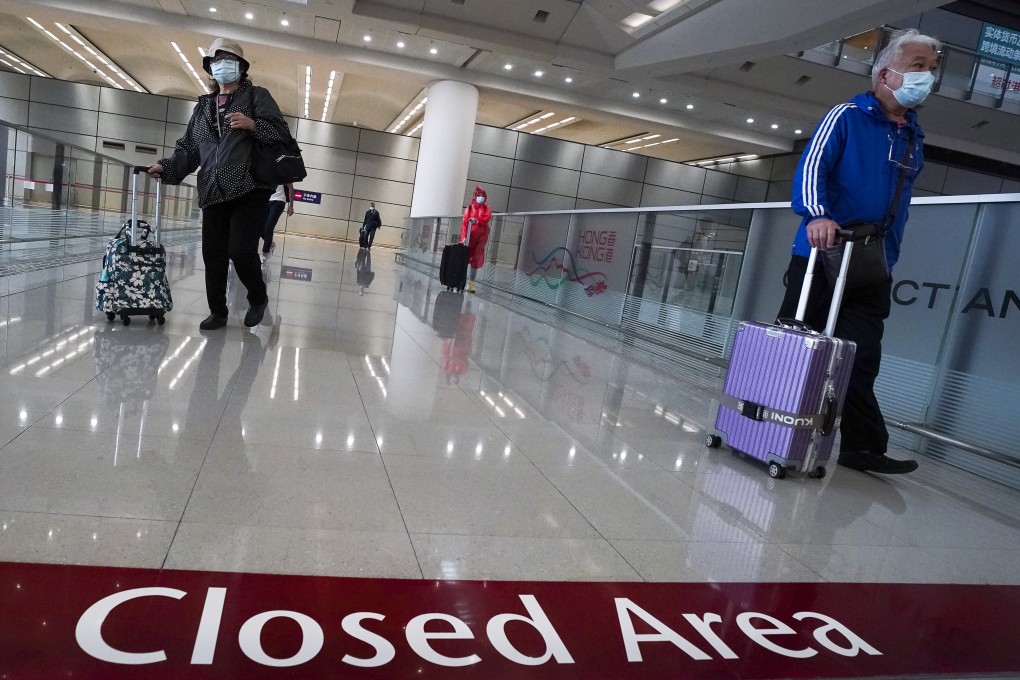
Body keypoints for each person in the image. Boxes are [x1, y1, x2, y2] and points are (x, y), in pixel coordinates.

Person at [777, 28, 940, 475]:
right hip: (823, 253)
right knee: (798, 347)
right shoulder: (847, 116)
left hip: (872, 264)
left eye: (932, 68)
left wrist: (889, 254)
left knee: (861, 354)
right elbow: (813, 167)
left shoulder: (911, 136)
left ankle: (862, 447)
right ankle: (771, 426)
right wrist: (816, 215)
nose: (927, 77)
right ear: (886, 74)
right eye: (918, 67)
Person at [146, 38, 291, 330]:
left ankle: (258, 296)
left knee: (239, 250)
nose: (223, 64)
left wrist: (253, 125)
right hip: (213, 189)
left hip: (250, 187)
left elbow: (281, 134)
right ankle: (218, 312)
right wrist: (167, 166)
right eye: (217, 59)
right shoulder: (203, 108)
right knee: (213, 255)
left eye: (229, 59)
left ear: (241, 67)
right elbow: (189, 148)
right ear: (210, 67)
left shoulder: (257, 97)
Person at [459, 185, 492, 293]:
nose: (481, 198)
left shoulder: (487, 208)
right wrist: (463, 237)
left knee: (475, 261)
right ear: (475, 196)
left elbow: (487, 218)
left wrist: (477, 220)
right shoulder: (469, 208)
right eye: (479, 196)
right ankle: (461, 282)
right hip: (469, 237)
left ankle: (471, 284)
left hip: (481, 239)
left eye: (482, 196)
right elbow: (464, 224)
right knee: (464, 259)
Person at [261, 183, 294, 264]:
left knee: (269, 226)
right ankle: (270, 244)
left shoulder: (283, 171)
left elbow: (291, 188)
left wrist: (291, 205)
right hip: (267, 200)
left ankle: (264, 253)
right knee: (260, 226)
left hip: (279, 201)